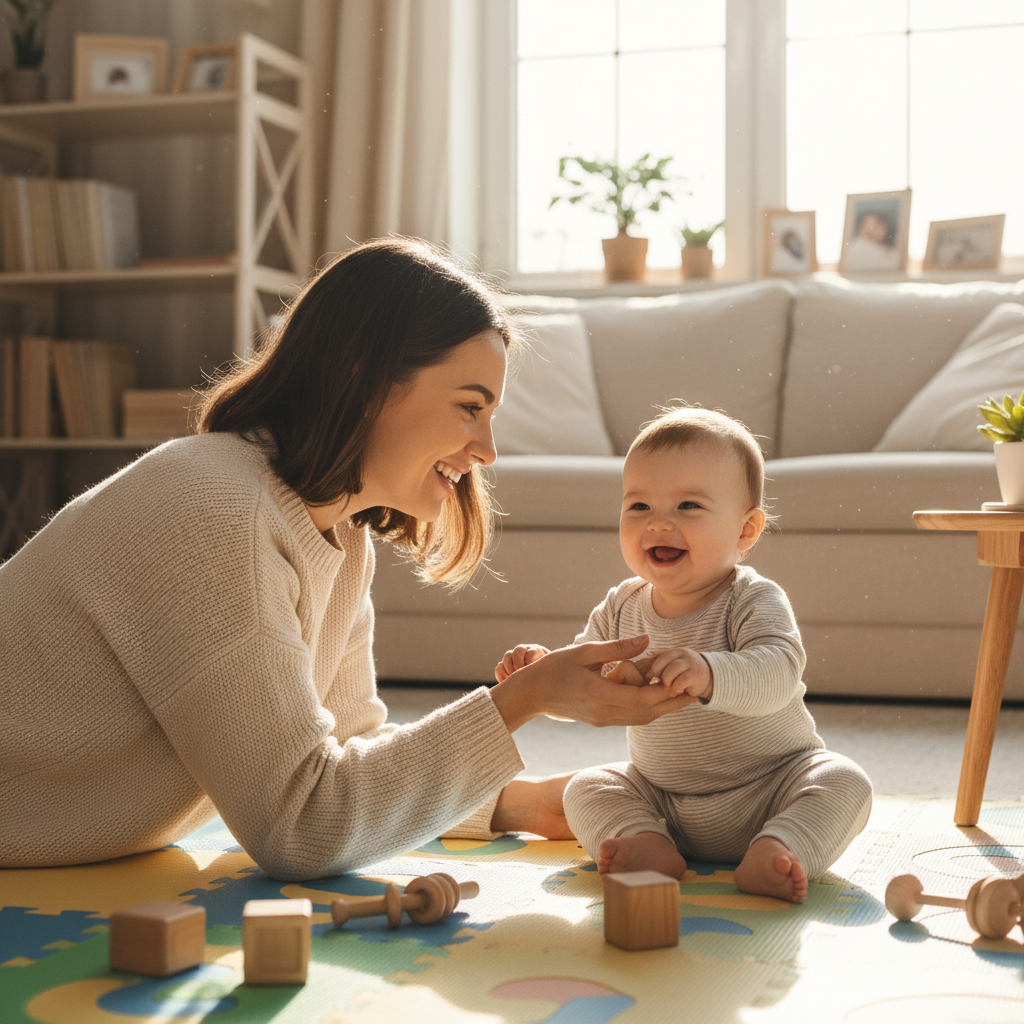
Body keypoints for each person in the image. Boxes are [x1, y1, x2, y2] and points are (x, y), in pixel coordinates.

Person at [0, 238, 694, 880]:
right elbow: (301, 826)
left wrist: (530, 803)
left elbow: (348, 759)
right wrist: (523, 699)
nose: (487, 450)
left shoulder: (339, 533)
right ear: (365, 379)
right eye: (468, 407)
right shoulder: (213, 510)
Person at [496, 407, 872, 902]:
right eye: (639, 507)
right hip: (664, 800)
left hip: (771, 787)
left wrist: (711, 672)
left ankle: (783, 849)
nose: (658, 524)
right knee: (587, 787)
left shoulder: (752, 599)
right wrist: (542, 672)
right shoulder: (621, 604)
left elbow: (779, 672)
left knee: (847, 782)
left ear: (745, 531)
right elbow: (587, 684)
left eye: (688, 506)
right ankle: (646, 845)